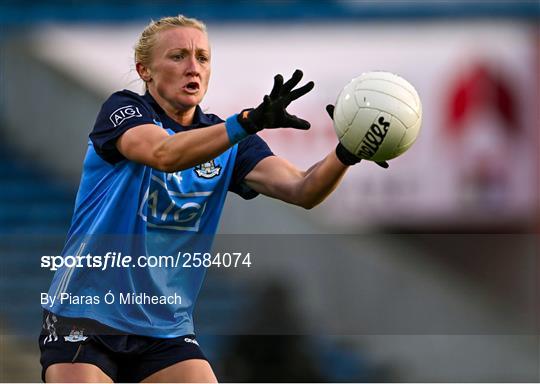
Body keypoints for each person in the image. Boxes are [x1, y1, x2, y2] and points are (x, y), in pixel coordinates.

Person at [39, 15, 387, 383]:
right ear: (145, 71)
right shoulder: (123, 111)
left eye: (202, 58)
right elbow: (164, 154)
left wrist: (346, 153)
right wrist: (245, 123)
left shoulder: (231, 141)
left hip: (165, 328)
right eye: (178, 56)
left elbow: (303, 189)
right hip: (86, 318)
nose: (193, 67)